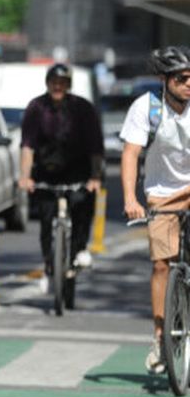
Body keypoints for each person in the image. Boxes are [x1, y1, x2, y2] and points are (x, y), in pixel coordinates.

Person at [120, 45, 190, 374]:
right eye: (181, 79)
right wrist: (130, 200)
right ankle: (160, 337)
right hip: (162, 196)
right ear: (164, 80)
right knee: (162, 265)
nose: (189, 84)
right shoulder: (146, 108)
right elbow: (131, 154)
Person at [17, 63, 103, 293]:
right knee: (45, 218)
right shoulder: (36, 107)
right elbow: (27, 146)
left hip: (78, 170)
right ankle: (49, 264)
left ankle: (79, 250)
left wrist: (95, 176)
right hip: (46, 171)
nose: (58, 87)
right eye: (54, 82)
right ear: (48, 84)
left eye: (63, 83)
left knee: (82, 203)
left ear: (69, 85)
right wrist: (25, 177)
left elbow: (96, 146)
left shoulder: (83, 108)